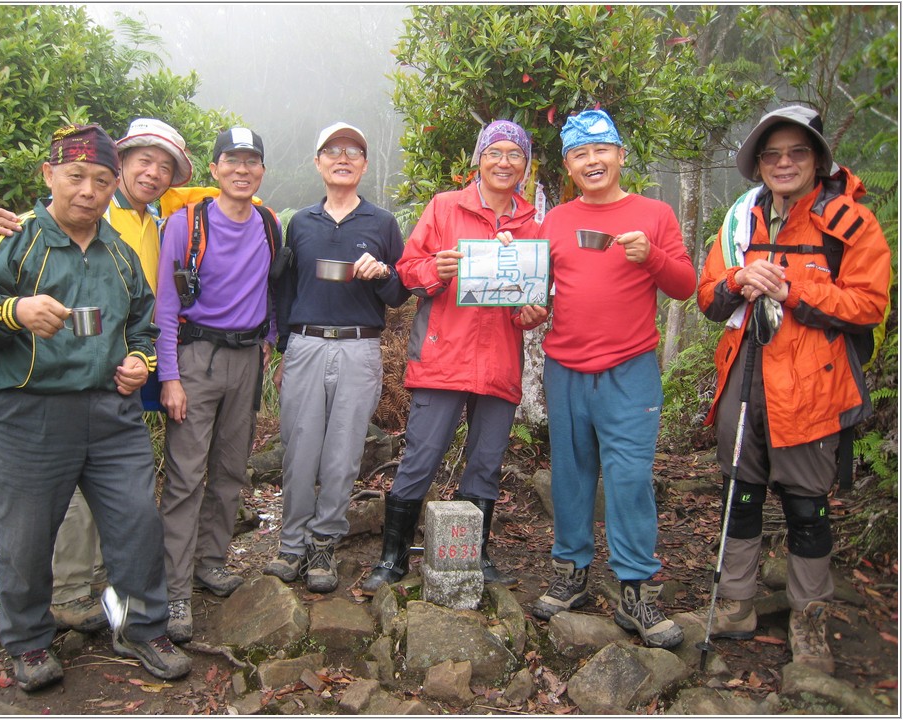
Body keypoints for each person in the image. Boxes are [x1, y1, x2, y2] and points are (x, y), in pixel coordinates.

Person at [0, 123, 191, 691]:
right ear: (49, 176)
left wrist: (139, 361)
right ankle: (30, 641)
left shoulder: (120, 254)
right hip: (31, 415)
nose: (88, 190)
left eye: (101, 180)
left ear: (113, 187)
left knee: (136, 522)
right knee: (26, 534)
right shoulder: (13, 238)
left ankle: (139, 627)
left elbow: (144, 322)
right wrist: (14, 312)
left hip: (113, 414)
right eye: (76, 176)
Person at [684, 106, 891, 672]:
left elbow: (872, 304)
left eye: (796, 153)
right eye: (772, 154)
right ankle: (737, 604)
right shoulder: (740, 220)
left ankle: (810, 619)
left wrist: (795, 288)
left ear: (817, 159)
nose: (783, 163)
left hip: (813, 388)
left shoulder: (849, 224)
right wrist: (737, 278)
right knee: (740, 495)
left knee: (806, 506)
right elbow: (706, 298)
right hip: (743, 377)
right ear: (758, 164)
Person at [530, 109, 696, 650]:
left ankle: (635, 588)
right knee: (570, 475)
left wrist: (651, 257)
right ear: (568, 166)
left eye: (601, 150)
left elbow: (685, 285)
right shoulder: (553, 221)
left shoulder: (654, 214)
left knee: (629, 479)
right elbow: (536, 292)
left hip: (631, 370)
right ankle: (572, 570)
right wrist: (526, 311)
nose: (592, 161)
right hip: (565, 369)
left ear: (621, 155)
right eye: (580, 154)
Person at [361, 120, 548, 595]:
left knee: (486, 461)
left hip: (499, 361)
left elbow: (536, 301)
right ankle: (394, 555)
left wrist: (532, 312)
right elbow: (407, 271)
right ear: (478, 160)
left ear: (526, 164)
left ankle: (475, 556)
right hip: (444, 354)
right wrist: (435, 269)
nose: (504, 162)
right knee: (421, 456)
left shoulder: (533, 223)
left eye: (514, 154)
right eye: (494, 152)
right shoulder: (446, 207)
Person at [264, 122, 410, 593]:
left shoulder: (383, 223)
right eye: (332, 150)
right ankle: (291, 545)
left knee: (344, 454)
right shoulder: (300, 223)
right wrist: (285, 349)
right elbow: (286, 290)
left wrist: (382, 270)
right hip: (306, 344)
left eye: (353, 151)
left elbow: (397, 295)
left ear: (364, 165)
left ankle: (325, 542)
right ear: (318, 162)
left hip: (359, 346)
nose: (342, 157)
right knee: (299, 449)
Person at [155, 127, 279, 643]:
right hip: (196, 358)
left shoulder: (269, 224)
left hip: (246, 359)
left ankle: (211, 561)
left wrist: (269, 337)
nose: (242, 169)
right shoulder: (185, 224)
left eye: (252, 160)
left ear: (262, 171)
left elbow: (273, 285)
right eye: (232, 160)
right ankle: (175, 591)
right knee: (186, 476)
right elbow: (165, 305)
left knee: (230, 470)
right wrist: (170, 377)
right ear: (215, 169)